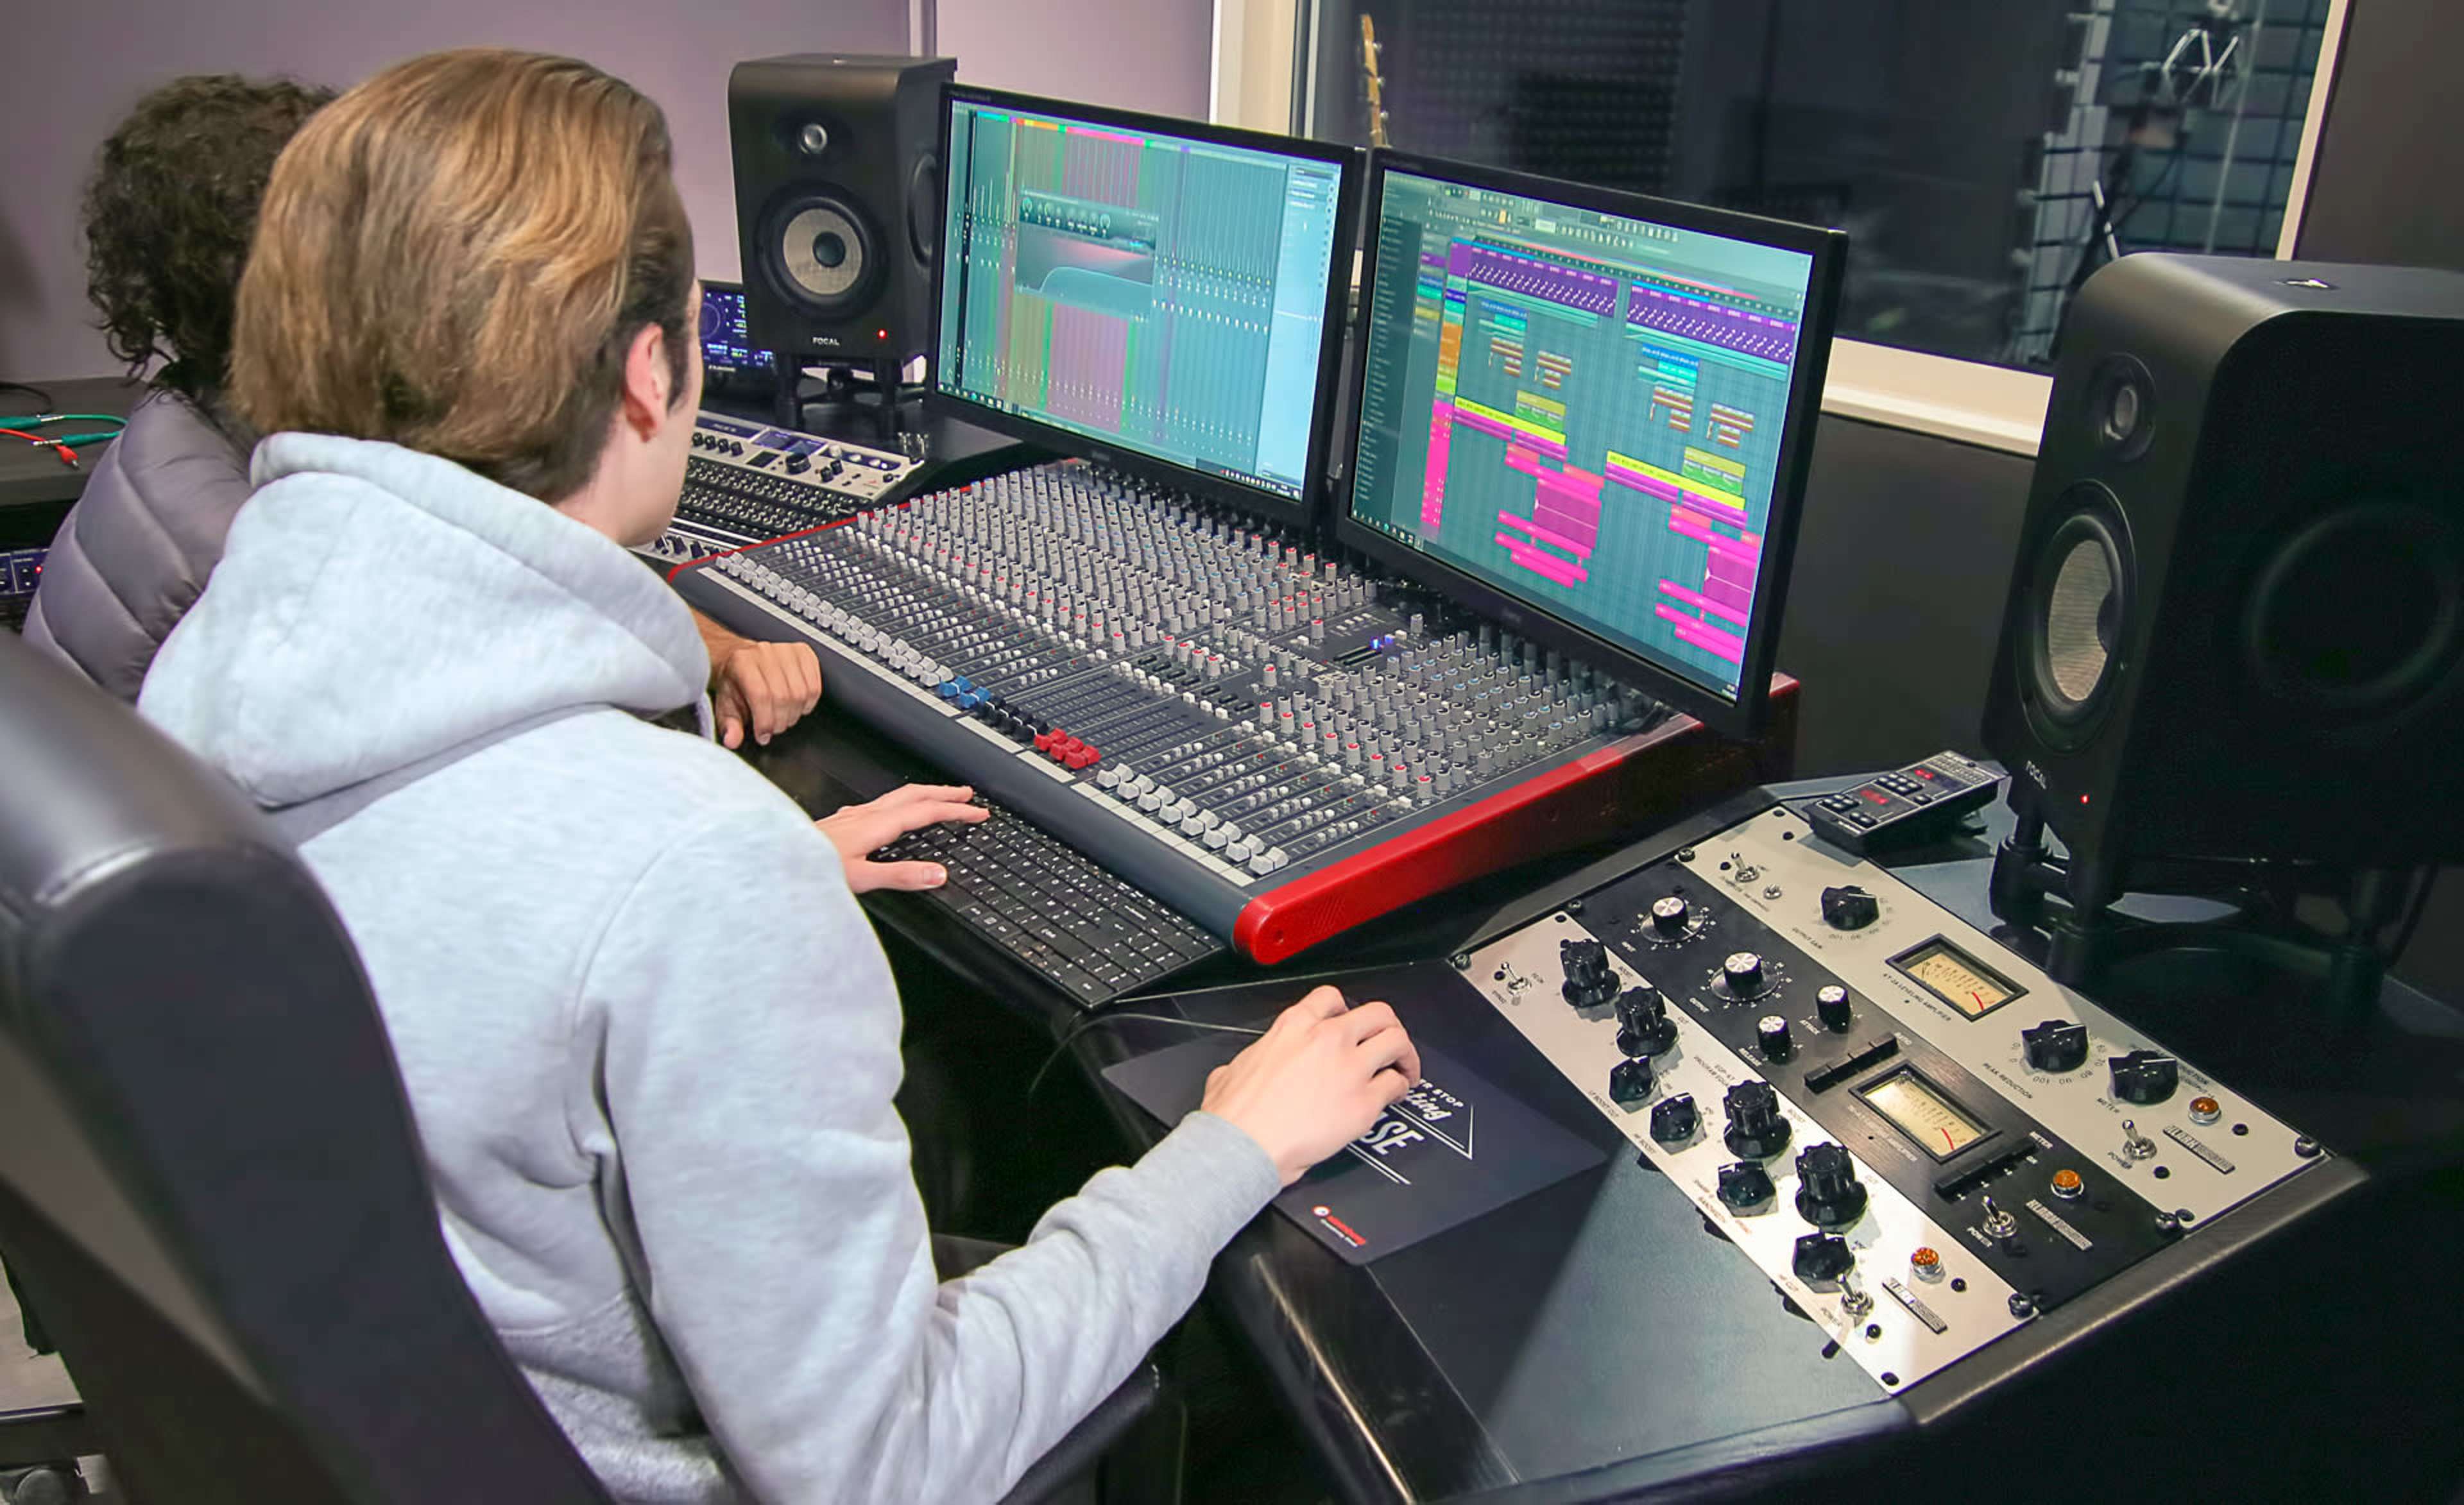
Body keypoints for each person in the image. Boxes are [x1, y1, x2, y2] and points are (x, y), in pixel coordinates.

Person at [138, 47, 1419, 1505]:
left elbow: (450, 941)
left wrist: (729, 898)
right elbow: (876, 1464)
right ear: (648, 377)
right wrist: (1229, 1150)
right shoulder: (689, 870)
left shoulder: (212, 665)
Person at [27, 73, 818, 750]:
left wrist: (716, 647)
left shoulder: (192, 425)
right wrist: (772, 853)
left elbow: (545, 562)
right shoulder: (277, 574)